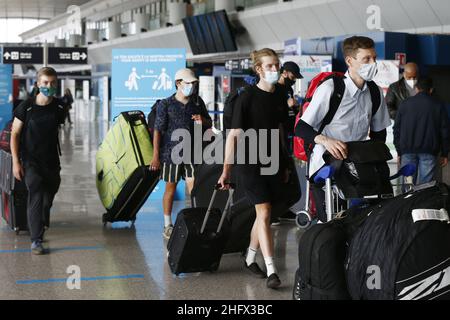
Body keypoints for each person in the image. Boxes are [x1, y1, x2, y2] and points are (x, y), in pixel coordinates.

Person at [295, 36, 391, 223]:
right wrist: (325, 140)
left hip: (357, 162)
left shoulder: (374, 91)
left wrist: (373, 156)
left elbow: (379, 132)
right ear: (349, 61)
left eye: (374, 58)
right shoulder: (331, 88)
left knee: (365, 219)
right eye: (366, 59)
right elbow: (302, 127)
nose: (373, 63)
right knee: (332, 223)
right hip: (327, 163)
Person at [218, 48, 290, 289]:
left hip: (273, 161)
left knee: (264, 215)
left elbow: (280, 130)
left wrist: (286, 161)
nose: (275, 69)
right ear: (258, 69)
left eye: (276, 65)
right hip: (249, 162)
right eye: (269, 66)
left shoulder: (280, 93)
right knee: (265, 211)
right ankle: (272, 270)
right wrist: (226, 169)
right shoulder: (246, 97)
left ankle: (249, 258)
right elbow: (233, 136)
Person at [150, 68, 212, 240]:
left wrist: (203, 120)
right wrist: (155, 156)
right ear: (178, 83)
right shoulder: (166, 104)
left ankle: (195, 222)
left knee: (194, 189)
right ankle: (167, 224)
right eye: (188, 83)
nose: (191, 86)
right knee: (170, 188)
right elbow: (158, 130)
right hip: (171, 154)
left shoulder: (197, 102)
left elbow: (209, 122)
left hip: (193, 153)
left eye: (193, 83)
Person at [10, 67, 65, 255]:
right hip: (30, 161)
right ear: (38, 84)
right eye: (45, 83)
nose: (49, 86)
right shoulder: (26, 107)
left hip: (51, 161)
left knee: (47, 198)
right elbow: (15, 134)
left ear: (56, 84)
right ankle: (36, 240)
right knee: (36, 194)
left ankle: (42, 220)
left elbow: (58, 129)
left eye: (52, 83)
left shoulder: (59, 107)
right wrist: (16, 162)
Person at [393, 77, 449, 185]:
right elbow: (445, 131)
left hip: (407, 151)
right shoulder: (438, 106)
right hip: (429, 151)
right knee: (426, 187)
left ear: (416, 89)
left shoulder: (404, 104)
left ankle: (408, 202)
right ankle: (422, 201)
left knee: (408, 186)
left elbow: (397, 129)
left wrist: (399, 151)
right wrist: (445, 153)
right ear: (431, 90)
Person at [272, 61, 303, 224]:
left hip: (287, 133)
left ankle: (283, 208)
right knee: (278, 171)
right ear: (284, 72)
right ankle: (274, 210)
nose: (294, 79)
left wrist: (296, 108)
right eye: (293, 75)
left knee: (287, 172)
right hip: (277, 134)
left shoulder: (288, 89)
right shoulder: (275, 89)